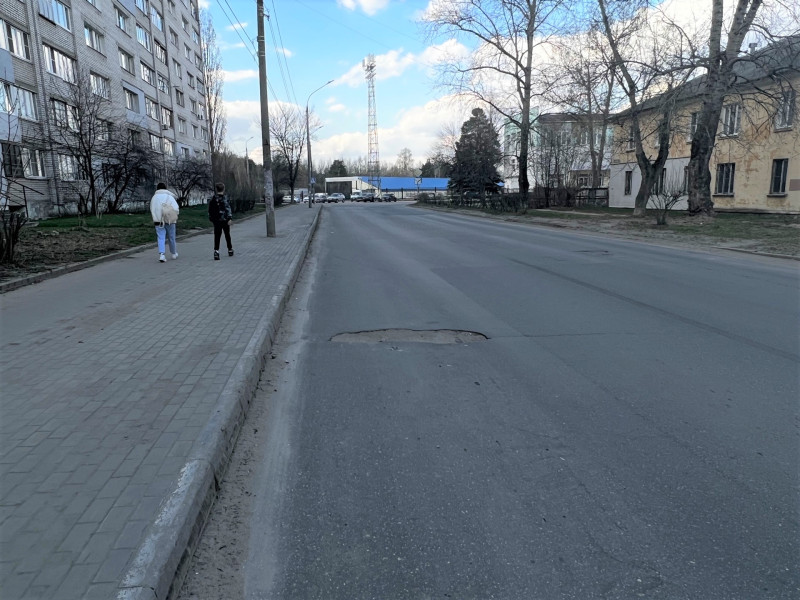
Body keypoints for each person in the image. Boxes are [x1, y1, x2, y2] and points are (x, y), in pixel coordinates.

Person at [150, 182, 180, 263]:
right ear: (165, 188)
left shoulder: (154, 198)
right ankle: (173, 253)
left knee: (161, 237)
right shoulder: (169, 197)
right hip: (170, 220)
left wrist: (155, 218)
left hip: (158, 221)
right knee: (171, 237)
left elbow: (152, 209)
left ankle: (162, 255)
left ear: (157, 189)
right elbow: (176, 208)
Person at [208, 182, 234, 260]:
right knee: (227, 235)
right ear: (224, 189)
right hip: (225, 220)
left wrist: (211, 218)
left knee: (217, 236)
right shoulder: (225, 198)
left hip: (217, 220)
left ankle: (216, 251)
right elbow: (228, 209)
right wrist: (229, 218)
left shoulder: (213, 199)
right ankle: (230, 249)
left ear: (216, 189)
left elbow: (210, 210)